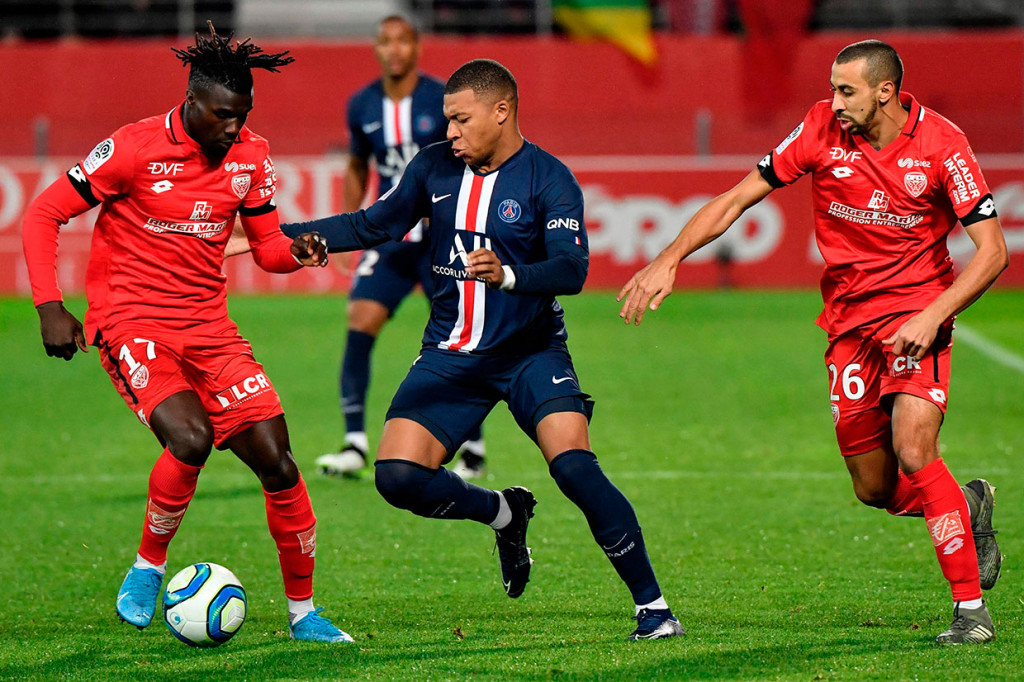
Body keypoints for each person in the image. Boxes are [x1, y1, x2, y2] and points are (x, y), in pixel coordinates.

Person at [618, 40, 1007, 645]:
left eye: (847, 90)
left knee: (914, 447)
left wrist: (933, 316)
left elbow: (993, 251)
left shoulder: (942, 144)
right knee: (874, 488)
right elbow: (739, 197)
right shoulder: (820, 127)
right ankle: (965, 503)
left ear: (885, 91)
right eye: (832, 89)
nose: (835, 101)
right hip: (848, 327)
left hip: (914, 319)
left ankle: (970, 611)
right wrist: (670, 256)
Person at [281, 59, 683, 640]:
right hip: (452, 353)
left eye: (461, 120)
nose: (450, 132)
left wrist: (511, 275)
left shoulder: (549, 178)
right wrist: (281, 238)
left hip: (530, 353)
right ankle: (503, 512)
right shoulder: (433, 167)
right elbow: (373, 224)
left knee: (574, 467)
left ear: (502, 111)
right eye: (447, 120)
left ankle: (654, 608)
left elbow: (571, 269)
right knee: (396, 477)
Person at [21, 25, 352, 643]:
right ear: (192, 101)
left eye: (243, 115)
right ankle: (147, 567)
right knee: (191, 437)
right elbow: (44, 212)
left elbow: (267, 248)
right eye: (223, 115)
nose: (234, 127)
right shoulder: (132, 148)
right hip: (131, 320)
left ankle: (304, 614)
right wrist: (49, 305)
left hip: (209, 327)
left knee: (278, 462)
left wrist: (297, 251)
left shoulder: (251, 156)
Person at [316, 15, 488, 480]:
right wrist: (347, 232)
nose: (394, 50)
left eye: (402, 41)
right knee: (360, 320)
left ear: (417, 46)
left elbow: (468, 159)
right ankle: (354, 443)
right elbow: (358, 166)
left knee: (460, 336)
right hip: (391, 240)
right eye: (385, 41)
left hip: (441, 240)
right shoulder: (362, 104)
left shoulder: (441, 99)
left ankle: (472, 446)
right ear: (376, 48)